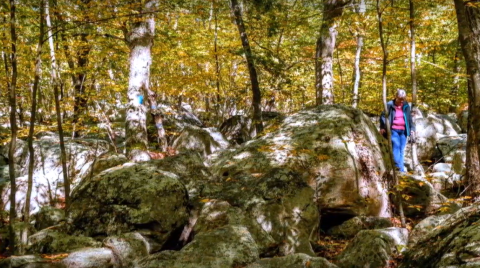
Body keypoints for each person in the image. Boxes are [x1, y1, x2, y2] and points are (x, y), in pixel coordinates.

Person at [379, 89, 416, 172]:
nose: (401, 101)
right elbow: (383, 116)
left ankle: (401, 170)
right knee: (396, 146)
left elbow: (409, 118)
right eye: (400, 99)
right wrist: (382, 127)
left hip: (403, 131)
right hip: (393, 130)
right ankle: (397, 167)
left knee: (401, 150)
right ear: (396, 97)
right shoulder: (389, 105)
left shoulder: (406, 106)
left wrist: (412, 129)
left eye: (403, 99)